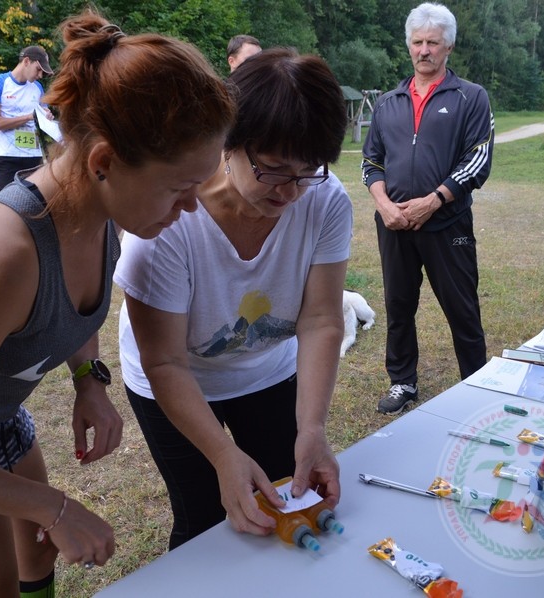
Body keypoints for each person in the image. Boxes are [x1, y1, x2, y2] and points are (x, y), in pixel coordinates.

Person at [0, 10, 235, 598]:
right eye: (180, 188)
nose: (192, 208)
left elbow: (74, 307)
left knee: (35, 558)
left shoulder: (104, 212)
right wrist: (55, 506)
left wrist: (89, 379)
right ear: (103, 162)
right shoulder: (2, 257)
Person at [116, 47, 351, 550]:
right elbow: (165, 361)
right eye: (274, 169)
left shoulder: (325, 200)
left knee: (283, 501)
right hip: (174, 377)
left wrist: (312, 428)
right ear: (229, 141)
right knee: (203, 518)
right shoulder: (168, 222)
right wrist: (223, 455)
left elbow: (322, 320)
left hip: (266, 372)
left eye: (308, 171)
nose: (291, 192)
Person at [361, 2, 494, 415]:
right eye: (417, 42)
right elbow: (371, 162)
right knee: (398, 307)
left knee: (462, 308)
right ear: (409, 46)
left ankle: (476, 384)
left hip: (447, 223)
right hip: (394, 225)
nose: (424, 50)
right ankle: (402, 381)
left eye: (432, 43)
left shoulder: (470, 97)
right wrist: (384, 204)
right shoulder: (388, 102)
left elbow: (478, 159)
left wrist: (433, 200)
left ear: (448, 46)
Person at [0, 45, 54, 192]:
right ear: (26, 61)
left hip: (34, 157)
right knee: (6, 204)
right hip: (7, 157)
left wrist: (47, 116)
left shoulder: (38, 87)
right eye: (38, 69)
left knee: (37, 204)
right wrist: (29, 117)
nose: (40, 75)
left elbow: (42, 117)